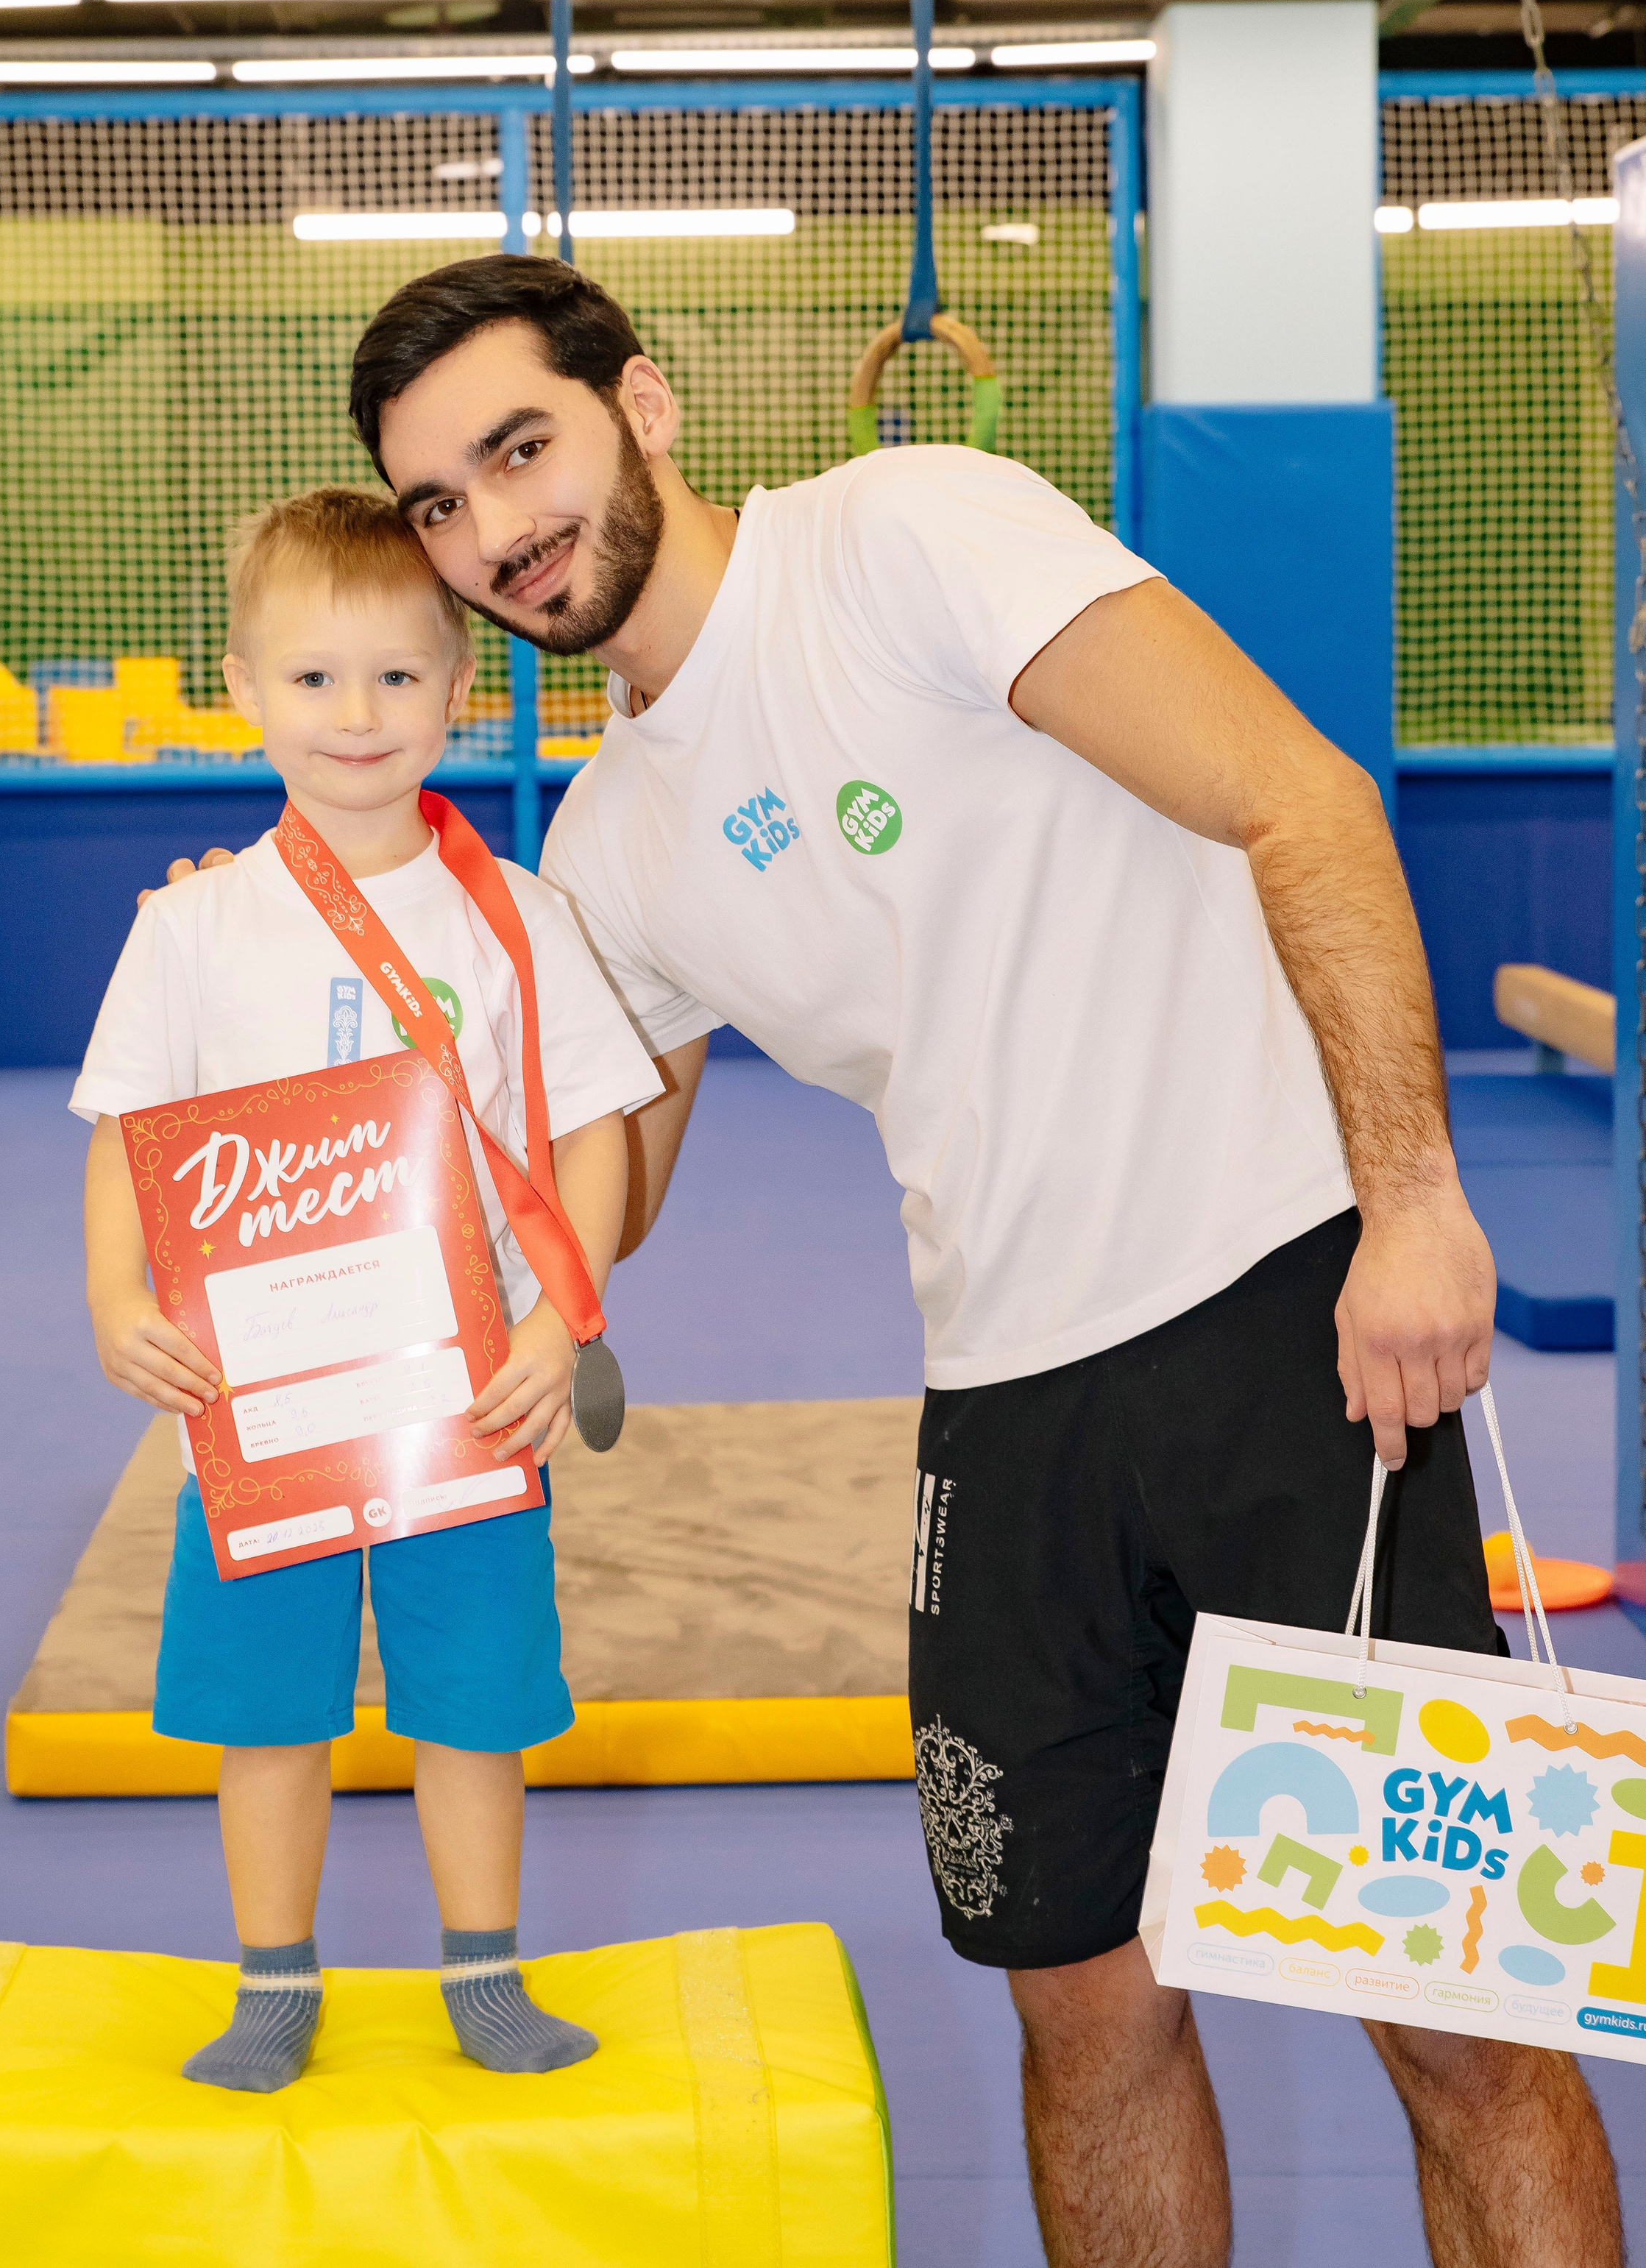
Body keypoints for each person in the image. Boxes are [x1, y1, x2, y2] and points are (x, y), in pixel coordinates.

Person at [160, 258, 1622, 2266]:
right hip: (1007, 1416)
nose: (495, 530)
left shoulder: (909, 534)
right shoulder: (606, 844)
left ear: (642, 406)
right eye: (437, 503)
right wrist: (271, 961)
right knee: (1081, 2015)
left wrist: (1414, 1196)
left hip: (1285, 1330)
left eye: (521, 449)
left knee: (1446, 2014)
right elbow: (596, 1181)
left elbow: (1301, 798)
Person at [78, 485, 660, 2092]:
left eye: (398, 677)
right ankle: (274, 1977)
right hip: (254, 1401)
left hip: (463, 1390)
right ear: (244, 686)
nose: (356, 716)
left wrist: (562, 1319)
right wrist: (114, 1296)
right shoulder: (190, 928)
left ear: (461, 688)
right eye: (316, 678)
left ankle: (481, 1969)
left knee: (472, 1702)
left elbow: (592, 1137)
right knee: (268, 1705)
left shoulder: (519, 921)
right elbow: (134, 1129)